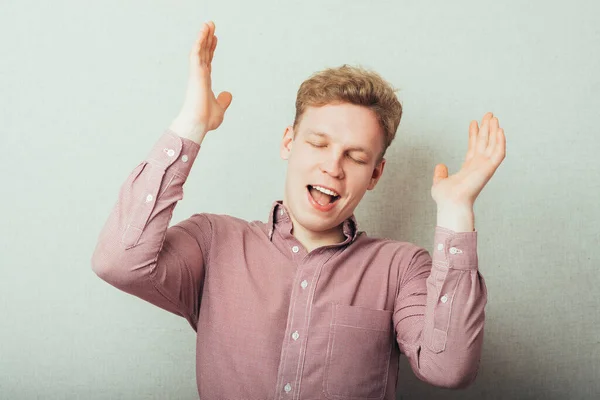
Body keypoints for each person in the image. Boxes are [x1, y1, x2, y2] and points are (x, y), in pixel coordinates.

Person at [91, 20, 505, 400]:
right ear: (288, 142)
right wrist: (192, 124)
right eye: (319, 143)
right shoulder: (214, 242)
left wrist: (456, 210)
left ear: (376, 174)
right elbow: (119, 263)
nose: (333, 166)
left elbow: (448, 368)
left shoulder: (402, 268)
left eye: (356, 157)